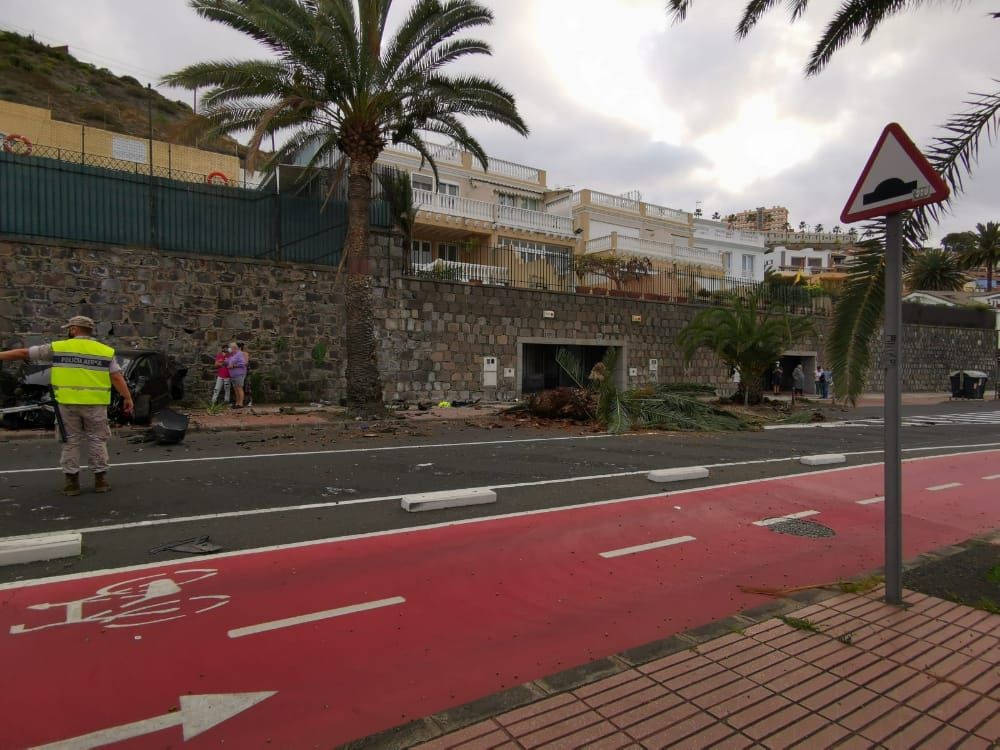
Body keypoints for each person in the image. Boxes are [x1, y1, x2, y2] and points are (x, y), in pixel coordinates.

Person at [0, 315, 133, 495]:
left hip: (67, 404)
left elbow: (24, 353)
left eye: (68, 329)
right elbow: (116, 376)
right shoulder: (105, 351)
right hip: (95, 404)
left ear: (74, 329)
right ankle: (100, 481)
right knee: (97, 440)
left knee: (70, 441)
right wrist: (127, 398)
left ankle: (71, 483)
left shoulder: (59, 347)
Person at [226, 341, 247, 408]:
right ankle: (237, 403)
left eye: (230, 347)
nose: (229, 349)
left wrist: (233, 366)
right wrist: (225, 361)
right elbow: (228, 362)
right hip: (233, 375)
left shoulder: (239, 354)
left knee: (239, 388)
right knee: (236, 389)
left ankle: (240, 404)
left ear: (234, 348)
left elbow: (242, 363)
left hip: (239, 374)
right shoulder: (232, 355)